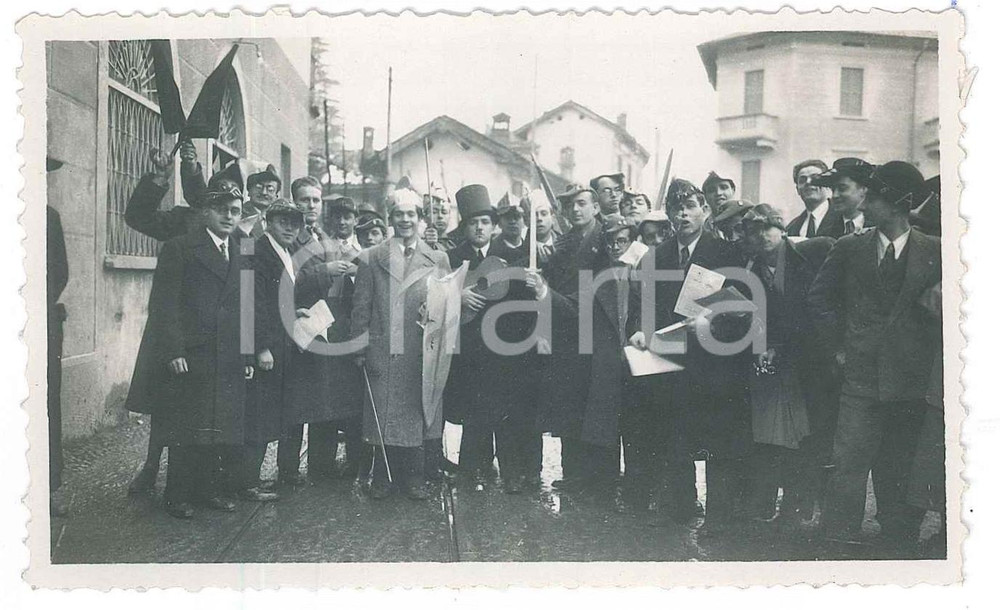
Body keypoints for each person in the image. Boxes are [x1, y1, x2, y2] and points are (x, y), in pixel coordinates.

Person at [808, 161, 942, 552]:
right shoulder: (850, 247)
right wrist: (838, 347)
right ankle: (838, 538)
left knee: (899, 461)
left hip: (911, 379)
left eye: (875, 197)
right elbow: (819, 300)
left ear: (900, 204)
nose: (865, 203)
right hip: (861, 377)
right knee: (848, 461)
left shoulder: (935, 251)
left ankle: (898, 538)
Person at [628, 178, 750, 529]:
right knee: (673, 436)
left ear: (705, 210)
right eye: (676, 208)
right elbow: (640, 305)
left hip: (715, 363)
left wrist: (711, 325)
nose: (683, 214)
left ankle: (719, 516)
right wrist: (638, 329)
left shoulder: (726, 253)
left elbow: (742, 308)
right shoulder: (656, 256)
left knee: (718, 441)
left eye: (690, 207)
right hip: (670, 361)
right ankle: (679, 507)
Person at [124, 150, 245, 495]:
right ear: (207, 202)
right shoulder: (185, 221)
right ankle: (152, 468)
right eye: (219, 199)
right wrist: (160, 177)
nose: (228, 212)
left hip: (217, 340)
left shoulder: (242, 235)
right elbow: (138, 216)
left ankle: (203, 483)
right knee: (168, 406)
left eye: (235, 204)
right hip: (177, 332)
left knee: (204, 411)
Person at [350, 189, 452, 500]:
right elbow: (361, 306)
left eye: (411, 214)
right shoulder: (372, 257)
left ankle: (414, 478)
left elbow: (448, 307)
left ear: (420, 219)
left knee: (417, 414)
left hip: (421, 352)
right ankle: (383, 477)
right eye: (399, 214)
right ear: (390, 218)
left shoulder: (438, 258)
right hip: (384, 349)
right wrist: (359, 347)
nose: (405, 220)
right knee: (384, 415)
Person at [739, 204, 835, 527]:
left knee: (811, 435)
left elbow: (816, 309)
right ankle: (791, 505)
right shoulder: (752, 270)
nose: (762, 236)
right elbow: (757, 316)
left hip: (812, 359)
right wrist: (764, 347)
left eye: (768, 228)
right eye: (754, 231)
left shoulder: (809, 254)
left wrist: (780, 348)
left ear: (781, 229)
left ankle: (804, 505)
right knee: (783, 434)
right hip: (779, 362)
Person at [444, 185, 535, 493]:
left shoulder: (511, 256)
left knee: (507, 412)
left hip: (504, 347)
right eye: (473, 222)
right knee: (474, 412)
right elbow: (436, 295)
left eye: (485, 222)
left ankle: (511, 472)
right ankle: (471, 471)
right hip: (470, 350)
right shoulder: (452, 258)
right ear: (464, 227)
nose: (479, 228)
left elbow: (524, 302)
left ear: (494, 225)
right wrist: (458, 296)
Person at [278, 181, 364, 485]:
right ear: (294, 203)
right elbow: (283, 279)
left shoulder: (325, 238)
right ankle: (288, 470)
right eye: (305, 200)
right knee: (295, 403)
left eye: (316, 200)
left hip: (324, 327)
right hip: (298, 327)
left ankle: (321, 464)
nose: (311, 205)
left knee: (323, 397)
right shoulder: (289, 237)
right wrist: (323, 271)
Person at [239, 200, 305, 502]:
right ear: (268, 222)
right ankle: (247, 482)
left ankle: (257, 478)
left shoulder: (286, 252)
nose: (290, 228)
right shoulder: (257, 251)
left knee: (274, 411)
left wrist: (294, 311)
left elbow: (278, 299)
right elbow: (253, 302)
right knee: (260, 414)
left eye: (295, 223)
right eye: (283, 222)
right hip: (269, 348)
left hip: (284, 343)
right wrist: (261, 347)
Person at [124, 141, 244, 242]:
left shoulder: (245, 239)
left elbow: (249, 263)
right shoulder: (187, 223)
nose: (228, 216)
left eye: (234, 211)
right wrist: (160, 178)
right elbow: (138, 217)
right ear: (206, 210)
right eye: (221, 209)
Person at [46, 158, 69, 517]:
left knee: (46, 403)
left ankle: (46, 488)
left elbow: (60, 271)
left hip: (41, 321)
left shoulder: (48, 217)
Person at [812, 157, 877, 237]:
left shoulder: (879, 227)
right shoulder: (826, 232)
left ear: (863, 189)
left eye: (842, 188)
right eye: (833, 189)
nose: (835, 195)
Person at [786, 160, 839, 238]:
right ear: (798, 190)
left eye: (815, 178)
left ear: (827, 184)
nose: (808, 182)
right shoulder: (792, 228)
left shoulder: (842, 217)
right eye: (802, 180)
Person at [239, 164, 282, 238]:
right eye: (258, 187)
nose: (264, 192)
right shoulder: (239, 215)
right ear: (249, 192)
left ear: (276, 196)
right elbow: (245, 245)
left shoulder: (277, 219)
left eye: (270, 189)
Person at [422, 186, 456, 251]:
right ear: (425, 217)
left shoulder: (453, 244)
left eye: (444, 212)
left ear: (449, 216)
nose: (440, 216)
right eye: (434, 212)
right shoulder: (420, 245)